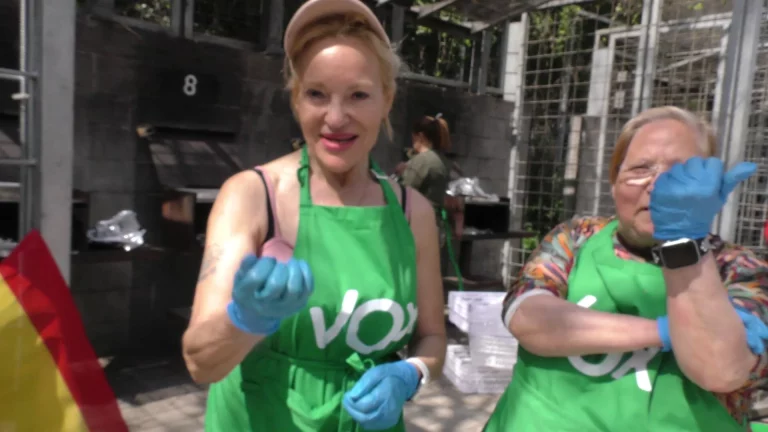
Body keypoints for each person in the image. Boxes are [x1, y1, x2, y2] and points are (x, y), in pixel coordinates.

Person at [181, 1, 447, 431]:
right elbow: (200, 363)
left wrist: (410, 373)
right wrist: (247, 320)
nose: (336, 118)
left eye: (358, 94)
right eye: (316, 93)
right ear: (295, 100)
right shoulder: (252, 196)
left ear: (387, 100)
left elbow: (432, 337)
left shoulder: (412, 212)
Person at [484, 106, 768, 432]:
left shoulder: (739, 267)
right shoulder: (576, 236)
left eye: (680, 172)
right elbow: (526, 317)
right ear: (614, 182)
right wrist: (665, 331)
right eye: (640, 169)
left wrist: (681, 242)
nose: (658, 185)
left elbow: (721, 370)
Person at [396, 114, 452, 210]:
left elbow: (403, 193)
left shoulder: (422, 160)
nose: (412, 142)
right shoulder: (442, 160)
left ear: (420, 136)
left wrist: (401, 173)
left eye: (413, 138)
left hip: (418, 217)